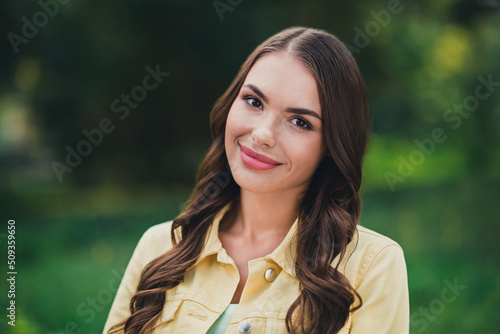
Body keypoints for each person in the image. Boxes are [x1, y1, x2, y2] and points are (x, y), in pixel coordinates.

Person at [103, 26, 409, 334]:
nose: (263, 134)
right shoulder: (160, 247)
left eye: (300, 122)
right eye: (253, 101)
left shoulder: (371, 266)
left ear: (332, 145)